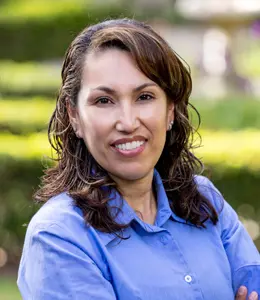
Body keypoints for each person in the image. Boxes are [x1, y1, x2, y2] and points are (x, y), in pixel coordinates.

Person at [17, 18, 260, 299]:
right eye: (104, 101)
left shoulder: (204, 200)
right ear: (74, 116)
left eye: (144, 97)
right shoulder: (60, 236)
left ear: (170, 109)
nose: (128, 122)